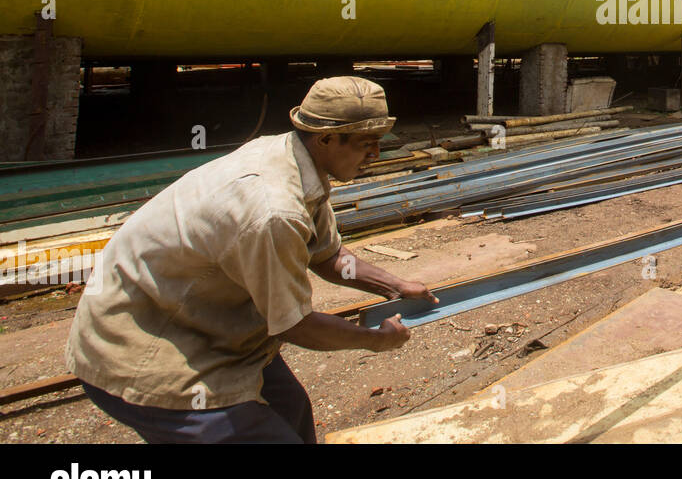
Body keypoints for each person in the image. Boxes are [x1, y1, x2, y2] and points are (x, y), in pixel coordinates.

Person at [66, 76, 434, 443]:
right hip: (146, 346)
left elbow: (327, 254)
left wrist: (395, 286)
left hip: (210, 327)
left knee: (291, 410)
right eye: (366, 145)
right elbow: (295, 325)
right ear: (325, 138)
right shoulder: (274, 208)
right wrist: (375, 340)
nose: (377, 156)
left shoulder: (297, 160)